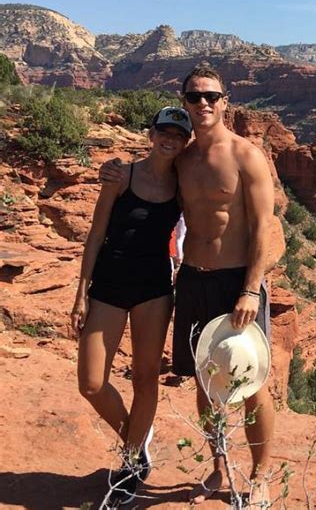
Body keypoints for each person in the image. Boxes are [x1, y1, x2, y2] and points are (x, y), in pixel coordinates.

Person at [100, 67, 278, 506]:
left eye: (211, 97)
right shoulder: (181, 160)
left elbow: (266, 228)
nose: (203, 104)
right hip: (193, 279)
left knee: (251, 382)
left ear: (226, 100)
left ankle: (260, 473)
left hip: (238, 283)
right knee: (204, 381)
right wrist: (118, 171)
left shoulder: (246, 156)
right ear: (183, 100)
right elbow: (147, 178)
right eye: (194, 97)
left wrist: (250, 288)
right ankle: (218, 466)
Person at [71, 106, 192, 505]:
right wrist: (81, 292)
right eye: (164, 131)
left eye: (178, 134)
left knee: (145, 378)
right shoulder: (121, 174)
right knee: (91, 383)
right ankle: (137, 440)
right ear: (151, 133)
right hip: (107, 284)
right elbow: (95, 233)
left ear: (185, 142)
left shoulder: (182, 184)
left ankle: (129, 462)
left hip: (154, 289)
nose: (169, 139)